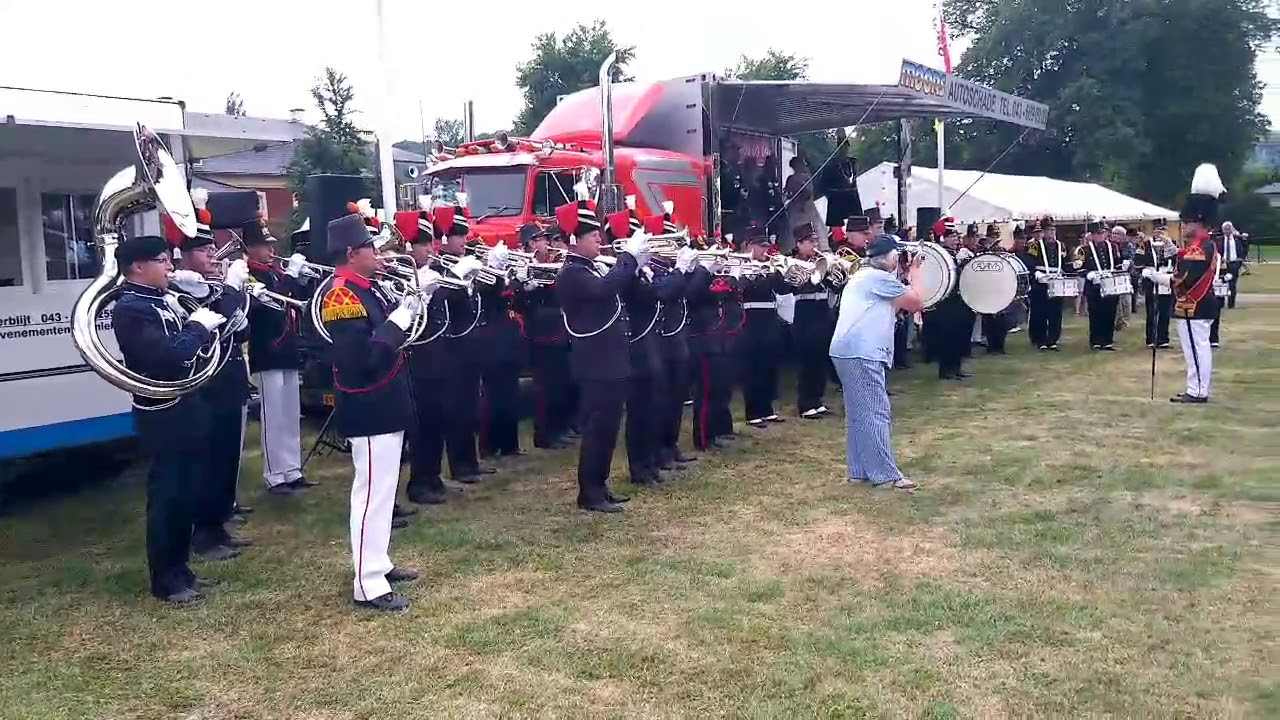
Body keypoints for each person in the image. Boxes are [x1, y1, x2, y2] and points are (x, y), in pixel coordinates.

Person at [320, 212, 428, 611]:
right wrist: (400, 318)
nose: (380, 253)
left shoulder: (366, 288)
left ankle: (377, 562)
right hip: (367, 404)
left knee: (383, 492)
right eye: (371, 248)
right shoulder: (342, 295)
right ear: (351, 253)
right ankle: (367, 582)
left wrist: (411, 304)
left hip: (384, 400)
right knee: (371, 495)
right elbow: (360, 360)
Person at [111, 235, 226, 605]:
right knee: (168, 496)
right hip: (162, 411)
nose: (170, 267)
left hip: (186, 403)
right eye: (162, 261)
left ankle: (182, 569)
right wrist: (197, 327)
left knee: (187, 492)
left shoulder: (162, 300)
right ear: (137, 267)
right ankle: (166, 578)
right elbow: (169, 357)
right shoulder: (130, 308)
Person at [167, 199, 253, 562]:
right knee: (209, 462)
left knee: (228, 460)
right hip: (207, 386)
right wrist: (231, 291)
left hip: (229, 377)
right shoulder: (182, 289)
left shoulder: (212, 285)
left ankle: (218, 526)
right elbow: (213, 322)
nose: (213, 255)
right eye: (204, 251)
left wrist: (235, 295)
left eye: (210, 248)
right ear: (184, 255)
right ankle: (203, 533)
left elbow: (239, 328)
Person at [554, 194, 648, 513]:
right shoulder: (572, 273)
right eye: (592, 236)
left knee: (609, 426)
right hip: (595, 361)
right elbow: (605, 291)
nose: (599, 240)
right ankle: (589, 491)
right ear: (573, 240)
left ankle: (601, 484)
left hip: (611, 357)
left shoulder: (590, 267)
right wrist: (630, 259)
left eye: (598, 235)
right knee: (597, 426)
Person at [829, 233, 924, 490]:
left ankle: (859, 471)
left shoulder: (863, 276)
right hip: (862, 352)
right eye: (898, 255)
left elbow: (893, 306)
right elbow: (915, 302)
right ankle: (885, 475)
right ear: (890, 256)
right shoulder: (878, 278)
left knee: (858, 414)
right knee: (875, 412)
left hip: (847, 350)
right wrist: (914, 272)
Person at [242, 217, 316, 496]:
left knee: (290, 414)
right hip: (267, 351)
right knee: (273, 417)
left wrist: (302, 280)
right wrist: (289, 277)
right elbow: (270, 305)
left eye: (270, 244)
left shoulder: (272, 272)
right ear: (249, 248)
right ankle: (275, 475)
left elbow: (294, 299)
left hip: (286, 351)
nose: (270, 250)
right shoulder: (250, 275)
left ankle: (292, 469)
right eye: (263, 245)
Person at [1144, 164, 1225, 404]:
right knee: (1195, 351)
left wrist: (1156, 276)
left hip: (1195, 306)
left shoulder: (1200, 247)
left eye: (1187, 221)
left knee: (1197, 351)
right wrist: (1176, 252)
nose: (1184, 225)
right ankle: (1195, 388)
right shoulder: (1202, 245)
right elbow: (1187, 261)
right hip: (1197, 307)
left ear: (1198, 220)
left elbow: (1184, 280)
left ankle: (1198, 391)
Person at [392, 200, 454, 506]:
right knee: (422, 424)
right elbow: (403, 318)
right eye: (423, 244)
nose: (430, 250)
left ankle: (433, 476)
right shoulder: (398, 275)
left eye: (430, 243)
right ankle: (419, 482)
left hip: (437, 354)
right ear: (408, 246)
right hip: (415, 358)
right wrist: (422, 294)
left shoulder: (430, 270)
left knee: (439, 418)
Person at [434, 195, 495, 483]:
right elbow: (442, 300)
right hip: (452, 348)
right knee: (457, 408)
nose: (462, 241)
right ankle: (460, 465)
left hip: (472, 346)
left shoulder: (465, 262)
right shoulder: (441, 269)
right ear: (444, 240)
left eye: (463, 235)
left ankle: (471, 460)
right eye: (456, 236)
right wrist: (459, 276)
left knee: (472, 406)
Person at [512, 223, 574, 450]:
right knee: (544, 388)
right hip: (539, 333)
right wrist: (525, 287)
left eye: (546, 239)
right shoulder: (522, 265)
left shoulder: (550, 262)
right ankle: (545, 434)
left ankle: (558, 428)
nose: (546, 243)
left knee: (560, 384)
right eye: (540, 239)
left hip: (557, 330)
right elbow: (517, 303)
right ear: (529, 243)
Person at [738, 226, 793, 427]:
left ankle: (767, 408)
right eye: (761, 246)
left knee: (770, 365)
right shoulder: (741, 265)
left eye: (766, 246)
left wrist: (782, 273)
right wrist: (769, 276)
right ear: (749, 245)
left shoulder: (769, 265)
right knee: (754, 367)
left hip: (770, 317)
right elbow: (751, 288)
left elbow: (784, 290)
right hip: (751, 318)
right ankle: (753, 412)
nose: (764, 251)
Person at [789, 223, 835, 417]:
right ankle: (806, 403)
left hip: (822, 310)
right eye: (810, 241)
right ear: (799, 244)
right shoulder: (791, 262)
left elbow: (834, 286)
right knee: (807, 359)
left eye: (816, 240)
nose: (814, 244)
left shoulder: (821, 259)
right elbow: (791, 288)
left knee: (821, 357)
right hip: (804, 312)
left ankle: (817, 399)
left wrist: (832, 273)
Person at [1021, 218, 1067, 351]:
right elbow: (1028, 261)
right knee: (1039, 312)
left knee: (1055, 312)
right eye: (1048, 230)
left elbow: (1065, 261)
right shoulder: (1034, 246)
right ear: (1043, 232)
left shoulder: (1061, 246)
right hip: (1040, 282)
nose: (1051, 233)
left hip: (1056, 281)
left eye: (1053, 230)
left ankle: (1052, 339)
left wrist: (1065, 273)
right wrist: (1035, 272)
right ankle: (1039, 339)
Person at [1080, 220, 1122, 350]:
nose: (1101, 236)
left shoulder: (1112, 247)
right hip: (1094, 286)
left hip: (1110, 283)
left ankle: (1108, 340)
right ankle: (1096, 341)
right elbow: (1079, 267)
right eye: (1098, 233)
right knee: (1096, 313)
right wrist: (1089, 274)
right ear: (1092, 235)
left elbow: (1117, 263)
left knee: (1110, 312)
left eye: (1102, 233)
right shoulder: (1085, 250)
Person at [1133, 220, 1174, 349]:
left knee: (1165, 310)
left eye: (1163, 230)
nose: (1160, 233)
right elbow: (1137, 261)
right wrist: (1143, 269)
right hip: (1151, 279)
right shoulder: (1145, 245)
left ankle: (1163, 339)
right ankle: (1151, 338)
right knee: (1152, 310)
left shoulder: (1171, 244)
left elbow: (1176, 259)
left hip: (1166, 279)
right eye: (1158, 230)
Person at [1220, 221, 1246, 308]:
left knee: (1232, 285)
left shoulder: (1237, 239)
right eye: (1225, 229)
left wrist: (1240, 260)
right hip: (1222, 265)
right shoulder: (1219, 240)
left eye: (1229, 229)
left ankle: (1231, 304)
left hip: (1234, 264)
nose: (1227, 231)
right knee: (1221, 284)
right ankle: (1220, 303)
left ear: (1231, 229)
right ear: (1223, 230)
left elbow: (1245, 248)